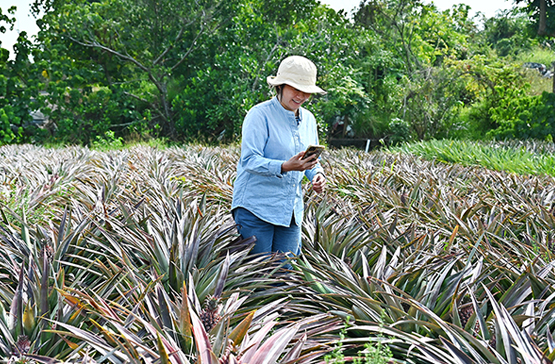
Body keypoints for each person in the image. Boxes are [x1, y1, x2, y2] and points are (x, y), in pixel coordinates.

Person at [231, 55, 327, 267]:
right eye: (295, 88)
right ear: (281, 86)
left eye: (306, 91)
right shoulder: (259, 115)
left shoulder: (309, 119)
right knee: (257, 277)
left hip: (290, 210)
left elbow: (311, 159)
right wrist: (284, 167)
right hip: (256, 208)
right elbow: (249, 160)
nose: (301, 95)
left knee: (284, 275)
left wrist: (317, 175)